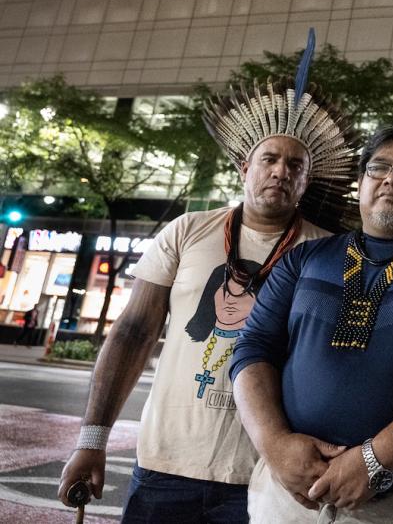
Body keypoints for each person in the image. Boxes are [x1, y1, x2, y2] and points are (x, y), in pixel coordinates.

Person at [57, 29, 361, 521]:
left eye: (294, 165)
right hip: (165, 463)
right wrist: (92, 440)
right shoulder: (188, 230)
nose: (280, 171)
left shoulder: (328, 252)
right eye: (269, 159)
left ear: (307, 181)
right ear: (245, 167)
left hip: (264, 477)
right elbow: (134, 331)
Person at [230, 126, 393, 524]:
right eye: (379, 168)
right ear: (360, 183)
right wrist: (274, 444)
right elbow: (253, 349)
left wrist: (373, 461)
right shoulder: (303, 260)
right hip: (287, 496)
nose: (391, 179)